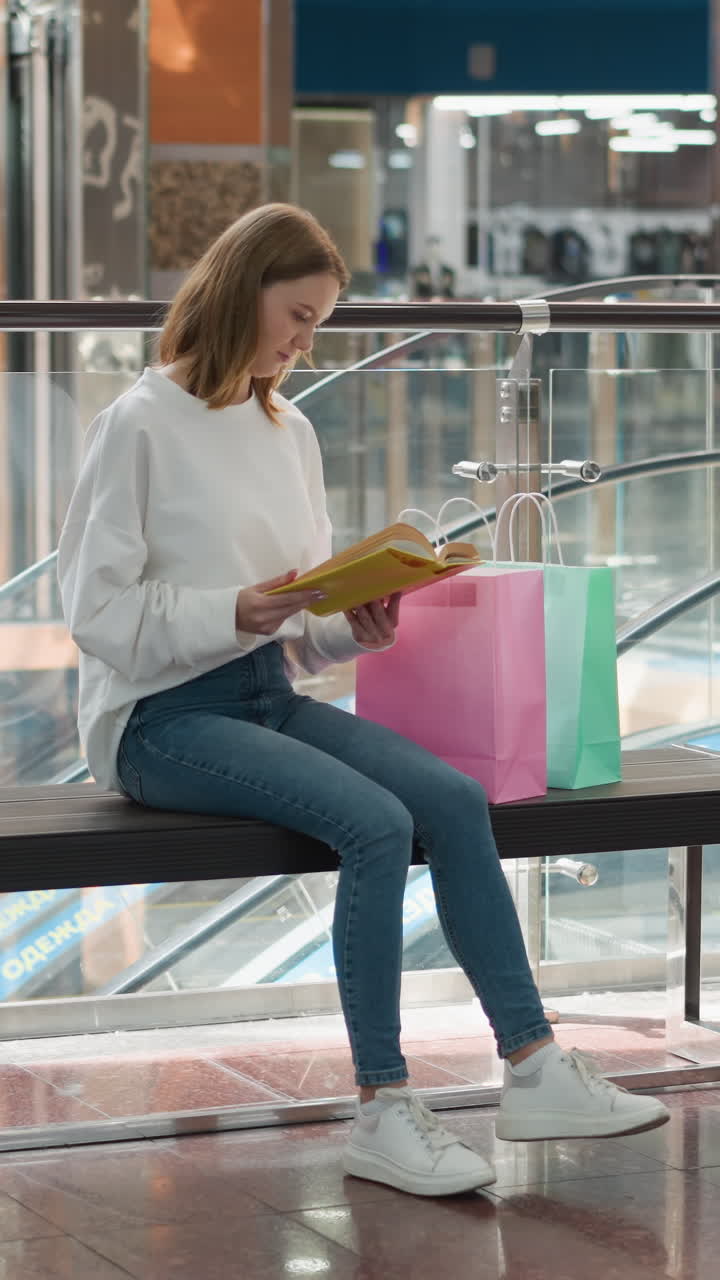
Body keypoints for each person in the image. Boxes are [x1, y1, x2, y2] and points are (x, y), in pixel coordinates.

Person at [58, 203, 669, 1199]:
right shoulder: (136, 424)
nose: (305, 343)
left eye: (319, 324)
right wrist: (234, 608)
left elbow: (298, 629)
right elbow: (94, 614)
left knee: (455, 799)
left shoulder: (287, 429)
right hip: (157, 719)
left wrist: (354, 625)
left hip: (262, 694)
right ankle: (383, 1106)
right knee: (376, 822)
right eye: (298, 317)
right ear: (241, 291)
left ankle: (534, 1066)